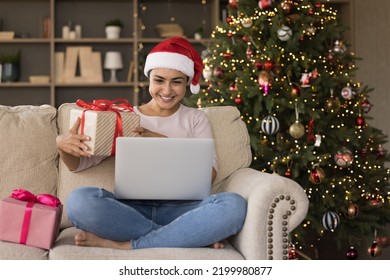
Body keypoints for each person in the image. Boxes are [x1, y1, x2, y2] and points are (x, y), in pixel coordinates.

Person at [56, 36, 247, 250]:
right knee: (79, 201)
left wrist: (163, 142)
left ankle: (129, 244)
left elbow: (208, 176)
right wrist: (63, 145)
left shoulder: (196, 119)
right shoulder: (124, 117)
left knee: (234, 205)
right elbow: (78, 165)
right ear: (149, 79)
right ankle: (185, 235)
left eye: (176, 82)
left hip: (183, 209)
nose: (166, 91)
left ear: (186, 83)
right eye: (159, 80)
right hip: (131, 210)